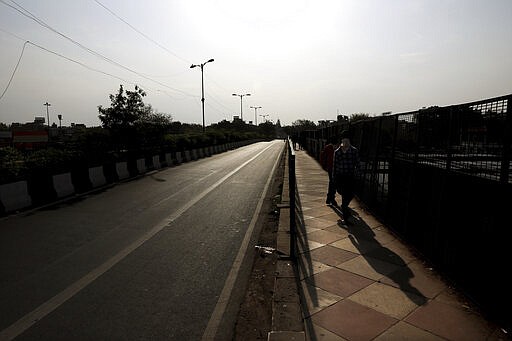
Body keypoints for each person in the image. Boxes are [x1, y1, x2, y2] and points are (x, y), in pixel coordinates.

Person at [332, 130, 360, 220]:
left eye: (347, 141)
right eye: (344, 141)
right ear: (342, 141)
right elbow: (335, 165)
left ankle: (344, 207)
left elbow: (357, 163)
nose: (345, 143)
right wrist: (334, 176)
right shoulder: (337, 152)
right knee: (343, 193)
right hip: (340, 176)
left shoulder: (354, 151)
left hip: (350, 176)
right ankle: (345, 210)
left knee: (350, 193)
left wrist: (358, 173)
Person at [320, 137, 338, 206]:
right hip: (333, 168)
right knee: (333, 183)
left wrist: (324, 166)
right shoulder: (337, 148)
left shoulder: (327, 147)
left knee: (332, 183)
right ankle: (331, 198)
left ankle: (330, 198)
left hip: (331, 168)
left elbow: (322, 156)